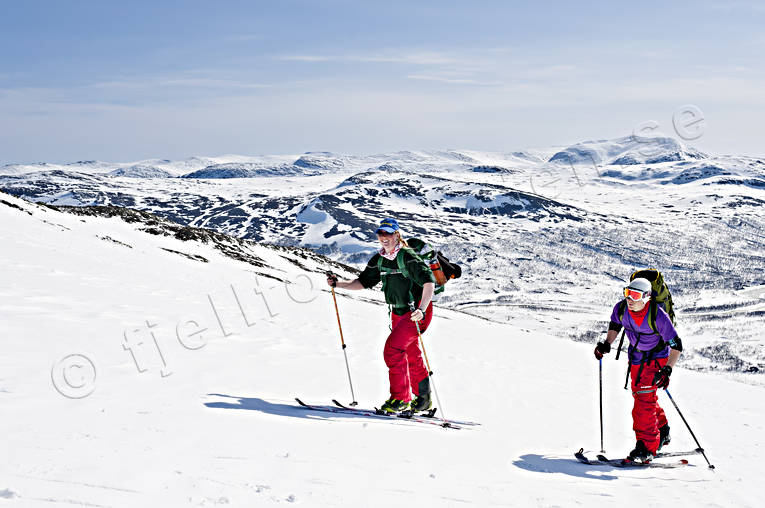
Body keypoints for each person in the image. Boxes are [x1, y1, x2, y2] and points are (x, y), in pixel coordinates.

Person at [327, 217, 436, 413]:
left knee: (393, 350)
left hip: (416, 313)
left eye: (388, 233)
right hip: (397, 312)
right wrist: (339, 284)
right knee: (410, 352)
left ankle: (400, 398)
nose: (383, 237)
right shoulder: (379, 260)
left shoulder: (408, 256)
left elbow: (429, 282)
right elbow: (363, 282)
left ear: (397, 235)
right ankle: (423, 399)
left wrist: (421, 309)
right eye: (380, 234)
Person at [594, 277, 683, 463]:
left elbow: (676, 345)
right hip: (636, 358)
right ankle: (663, 430)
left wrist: (667, 369)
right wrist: (606, 344)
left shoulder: (657, 316)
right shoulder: (621, 309)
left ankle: (646, 448)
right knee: (643, 397)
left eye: (635, 295)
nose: (630, 299)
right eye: (627, 293)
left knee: (643, 403)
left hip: (656, 360)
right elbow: (615, 325)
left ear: (646, 297)